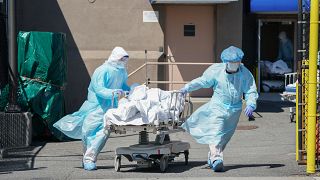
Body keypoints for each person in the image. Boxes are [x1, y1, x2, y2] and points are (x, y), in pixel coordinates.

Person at [179, 46, 258, 172]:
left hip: (234, 110)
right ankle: (217, 159)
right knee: (216, 132)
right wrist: (187, 87)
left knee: (225, 137)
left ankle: (212, 157)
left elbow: (250, 90)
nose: (234, 65)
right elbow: (203, 81)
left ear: (239, 61)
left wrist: (251, 104)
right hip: (218, 106)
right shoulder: (216, 71)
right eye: (231, 63)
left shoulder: (245, 73)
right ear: (225, 62)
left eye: (236, 62)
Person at [54, 46, 133, 171]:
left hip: (110, 108)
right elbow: (99, 89)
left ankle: (90, 158)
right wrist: (115, 92)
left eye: (125, 59)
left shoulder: (122, 72)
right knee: (88, 132)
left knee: (104, 132)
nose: (123, 62)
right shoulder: (102, 70)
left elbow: (123, 85)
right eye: (121, 59)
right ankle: (87, 156)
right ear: (115, 57)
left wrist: (130, 91)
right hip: (96, 107)